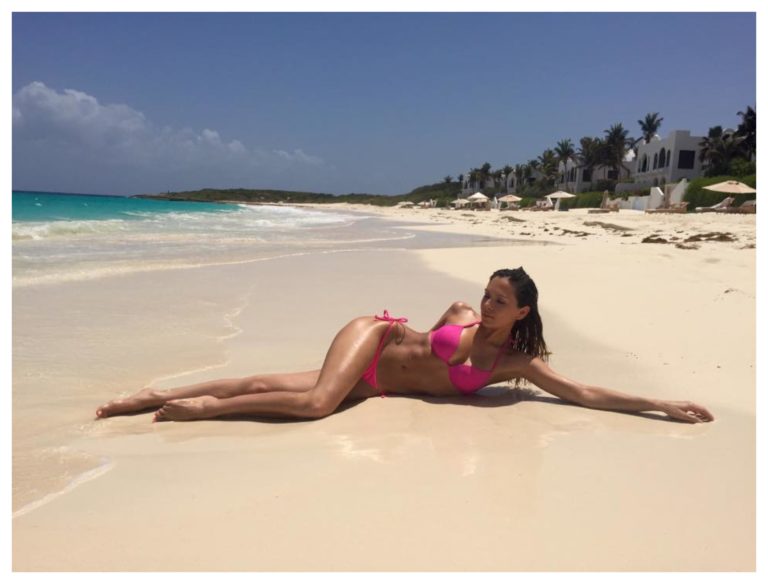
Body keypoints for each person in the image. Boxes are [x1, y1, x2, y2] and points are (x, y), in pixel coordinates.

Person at [95, 267, 714, 424]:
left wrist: (658, 404)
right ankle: (201, 408)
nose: (487, 305)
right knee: (314, 405)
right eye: (487, 294)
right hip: (373, 338)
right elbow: (422, 333)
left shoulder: (518, 363)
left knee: (264, 384)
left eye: (500, 301)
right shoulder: (461, 314)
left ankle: (154, 395)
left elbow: (582, 393)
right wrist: (444, 326)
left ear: (522, 311)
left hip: (374, 386)